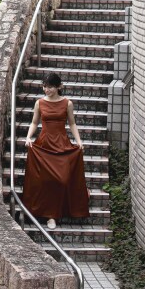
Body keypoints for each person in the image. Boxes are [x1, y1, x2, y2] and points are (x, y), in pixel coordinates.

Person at [22, 72, 90, 229]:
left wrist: (79, 142)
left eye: (50, 87)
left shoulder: (67, 103)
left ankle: (67, 205)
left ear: (59, 87)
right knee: (46, 181)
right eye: (45, 87)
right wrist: (28, 137)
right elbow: (34, 122)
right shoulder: (39, 103)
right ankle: (50, 216)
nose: (47, 90)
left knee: (63, 179)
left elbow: (72, 124)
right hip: (44, 144)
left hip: (61, 144)